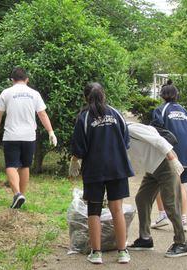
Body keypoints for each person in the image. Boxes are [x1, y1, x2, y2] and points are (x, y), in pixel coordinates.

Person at [69, 82, 133, 264]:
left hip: (94, 171)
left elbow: (79, 147)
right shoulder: (116, 113)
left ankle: (96, 253)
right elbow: (126, 141)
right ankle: (123, 252)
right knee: (117, 209)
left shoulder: (84, 117)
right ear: (103, 95)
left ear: (85, 97)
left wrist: (75, 160)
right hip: (118, 168)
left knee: (94, 211)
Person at [0, 67, 57, 209]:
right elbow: (42, 114)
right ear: (27, 79)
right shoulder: (34, 94)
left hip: (11, 136)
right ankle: (22, 196)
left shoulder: (6, 93)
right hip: (29, 136)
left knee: (11, 165)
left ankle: (17, 194)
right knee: (25, 165)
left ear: (12, 80)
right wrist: (51, 132)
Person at [126, 122, 187, 258]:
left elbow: (157, 139)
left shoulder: (130, 128)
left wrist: (172, 158)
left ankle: (182, 243)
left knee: (170, 205)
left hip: (166, 164)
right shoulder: (117, 136)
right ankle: (145, 239)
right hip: (152, 169)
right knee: (142, 198)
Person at [150, 80, 187, 232]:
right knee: (182, 186)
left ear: (162, 95)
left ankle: (162, 214)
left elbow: (156, 131)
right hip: (186, 154)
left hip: (168, 153)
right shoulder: (185, 111)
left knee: (159, 182)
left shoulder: (160, 110)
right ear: (176, 95)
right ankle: (183, 220)